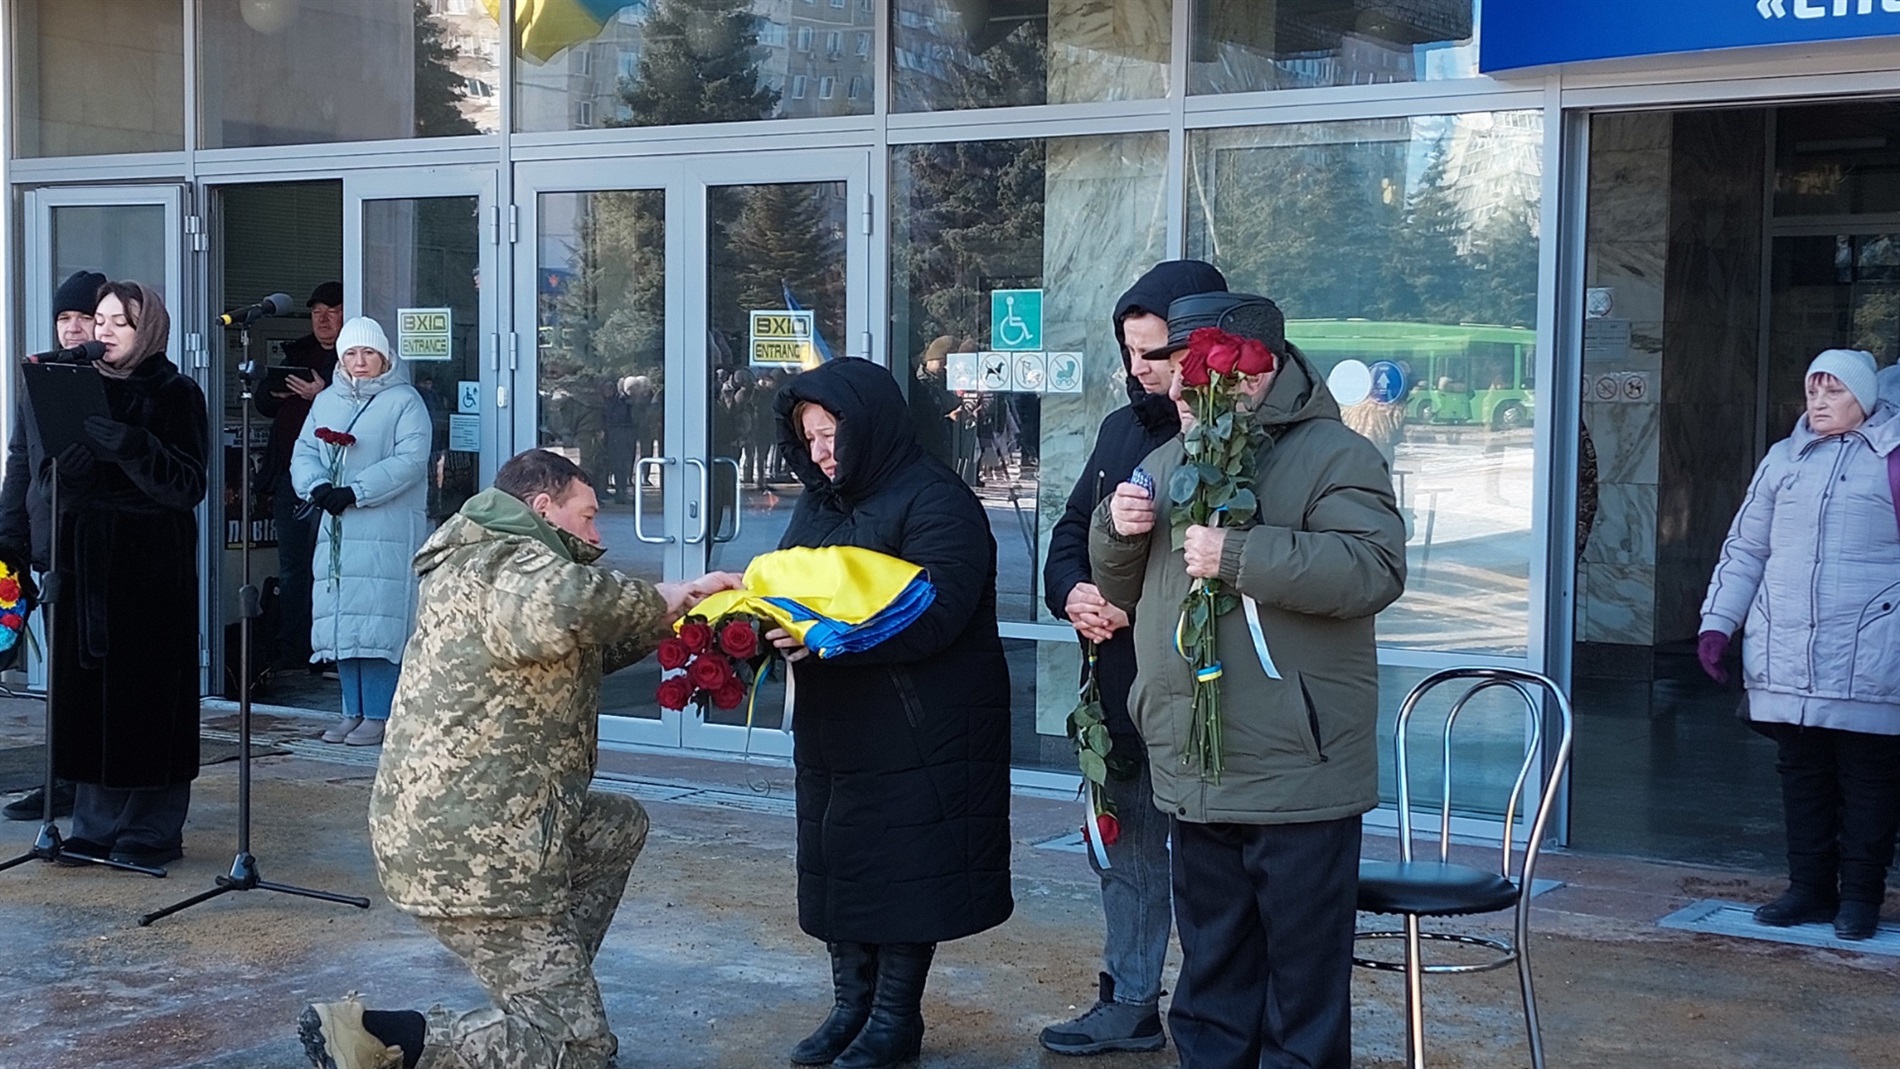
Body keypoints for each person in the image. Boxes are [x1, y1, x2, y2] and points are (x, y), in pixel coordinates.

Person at [298, 448, 740, 1069]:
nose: (597, 535)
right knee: (578, 1051)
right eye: (588, 516)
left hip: (487, 833)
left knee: (617, 825)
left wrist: (684, 612)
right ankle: (385, 1040)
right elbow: (571, 604)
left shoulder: (504, 568)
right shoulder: (502, 565)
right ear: (543, 508)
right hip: (478, 852)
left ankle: (550, 987)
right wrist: (665, 593)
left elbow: (579, 643)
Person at [1090, 293, 1406, 1069]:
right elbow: (1127, 593)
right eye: (1173, 371)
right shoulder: (1169, 461)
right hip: (1199, 768)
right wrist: (1116, 530)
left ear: (1255, 374)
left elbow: (1374, 568)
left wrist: (1240, 554)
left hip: (1297, 772)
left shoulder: (1336, 455)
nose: (1178, 389)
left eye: (1194, 370)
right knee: (1212, 985)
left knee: (1301, 994)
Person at [769, 358, 1013, 1069]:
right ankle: (850, 1007)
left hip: (919, 722)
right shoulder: (820, 502)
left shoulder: (937, 500)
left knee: (906, 869)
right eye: (809, 438)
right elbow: (788, 583)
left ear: (867, 425)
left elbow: (935, 611)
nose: (821, 452)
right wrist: (762, 620)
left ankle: (895, 1018)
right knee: (840, 863)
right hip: (836, 721)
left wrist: (830, 637)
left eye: (831, 434)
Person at [1037, 259, 1228, 1056]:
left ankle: (1219, 1018)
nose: (1140, 368)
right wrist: (1074, 593)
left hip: (1203, 697)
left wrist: (1135, 605)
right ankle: (1130, 999)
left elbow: (1227, 576)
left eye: (1155, 352)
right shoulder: (1120, 431)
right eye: (1130, 351)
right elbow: (1067, 534)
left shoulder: (1232, 441)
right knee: (1126, 854)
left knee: (1213, 872)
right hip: (1117, 690)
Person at [1699, 348, 1900, 942]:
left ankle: (1860, 897)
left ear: (1864, 399)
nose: (1819, 402)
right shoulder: (1783, 459)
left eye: (1834, 391)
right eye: (1813, 390)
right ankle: (1809, 889)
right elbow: (1746, 548)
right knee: (1802, 776)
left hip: (1871, 650)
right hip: (1787, 649)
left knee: (1868, 782)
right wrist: (1718, 622)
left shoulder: (1893, 458)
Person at [41, 281, 207, 870]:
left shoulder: (176, 392)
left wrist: (137, 447)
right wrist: (69, 472)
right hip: (87, 560)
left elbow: (189, 485)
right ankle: (93, 825)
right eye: (101, 319)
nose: (104, 330)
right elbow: (50, 484)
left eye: (121, 322)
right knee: (89, 698)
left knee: (149, 696)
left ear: (148, 330)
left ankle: (152, 828)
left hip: (152, 566)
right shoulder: (78, 387)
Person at [291, 317, 431, 747]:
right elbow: (304, 451)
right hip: (338, 527)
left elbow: (410, 460)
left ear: (384, 356)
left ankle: (380, 713)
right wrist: (317, 486)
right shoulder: (327, 400)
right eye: (351, 353)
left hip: (384, 527)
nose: (360, 361)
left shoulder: (404, 401)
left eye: (369, 352)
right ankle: (351, 710)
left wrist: (356, 491)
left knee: (378, 622)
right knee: (343, 622)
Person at [0, 269, 106, 822]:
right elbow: (21, 457)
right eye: (64, 318)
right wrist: (10, 535)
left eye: (84, 317)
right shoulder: (39, 377)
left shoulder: (116, 377)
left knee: (93, 675)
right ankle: (61, 779)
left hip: (102, 545)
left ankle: (93, 782)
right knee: (61, 674)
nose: (73, 328)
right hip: (51, 542)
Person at [256, 281, 342, 673]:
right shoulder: (298, 353)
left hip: (336, 481)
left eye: (332, 311)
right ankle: (293, 650)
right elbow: (262, 401)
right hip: (290, 479)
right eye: (316, 312)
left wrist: (321, 395)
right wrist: (271, 392)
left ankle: (330, 652)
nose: (323, 320)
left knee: (332, 568)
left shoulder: (353, 359)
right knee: (293, 569)